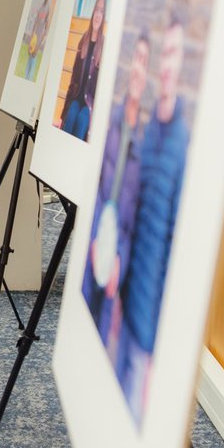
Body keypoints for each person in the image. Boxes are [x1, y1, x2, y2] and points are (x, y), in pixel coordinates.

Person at [117, 11, 191, 422]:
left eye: (174, 54)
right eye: (164, 54)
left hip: (151, 333)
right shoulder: (147, 134)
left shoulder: (181, 146)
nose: (165, 64)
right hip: (127, 309)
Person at [80, 29, 150, 345]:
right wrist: (92, 237)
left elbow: (135, 214)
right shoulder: (113, 125)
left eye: (144, 63)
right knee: (81, 329)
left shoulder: (144, 143)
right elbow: (96, 187)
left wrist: (119, 255)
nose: (138, 69)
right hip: (95, 241)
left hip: (117, 260)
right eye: (135, 60)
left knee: (104, 340)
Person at [60, 0, 107, 141]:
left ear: (103, 16)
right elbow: (73, 78)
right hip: (75, 98)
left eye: (102, 11)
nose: (98, 14)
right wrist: (63, 114)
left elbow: (101, 90)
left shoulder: (104, 46)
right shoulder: (83, 40)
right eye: (97, 10)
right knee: (71, 114)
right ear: (93, 12)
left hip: (89, 105)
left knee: (82, 120)